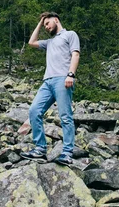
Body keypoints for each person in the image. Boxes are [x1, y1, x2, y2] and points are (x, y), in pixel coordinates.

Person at [20, 12, 80, 166]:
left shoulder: (70, 35)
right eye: (45, 25)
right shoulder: (49, 42)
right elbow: (31, 42)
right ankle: (40, 149)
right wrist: (40, 22)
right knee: (34, 111)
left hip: (63, 79)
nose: (46, 27)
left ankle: (67, 153)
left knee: (65, 116)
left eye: (48, 23)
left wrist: (71, 74)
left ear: (56, 20)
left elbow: (75, 55)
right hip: (47, 82)